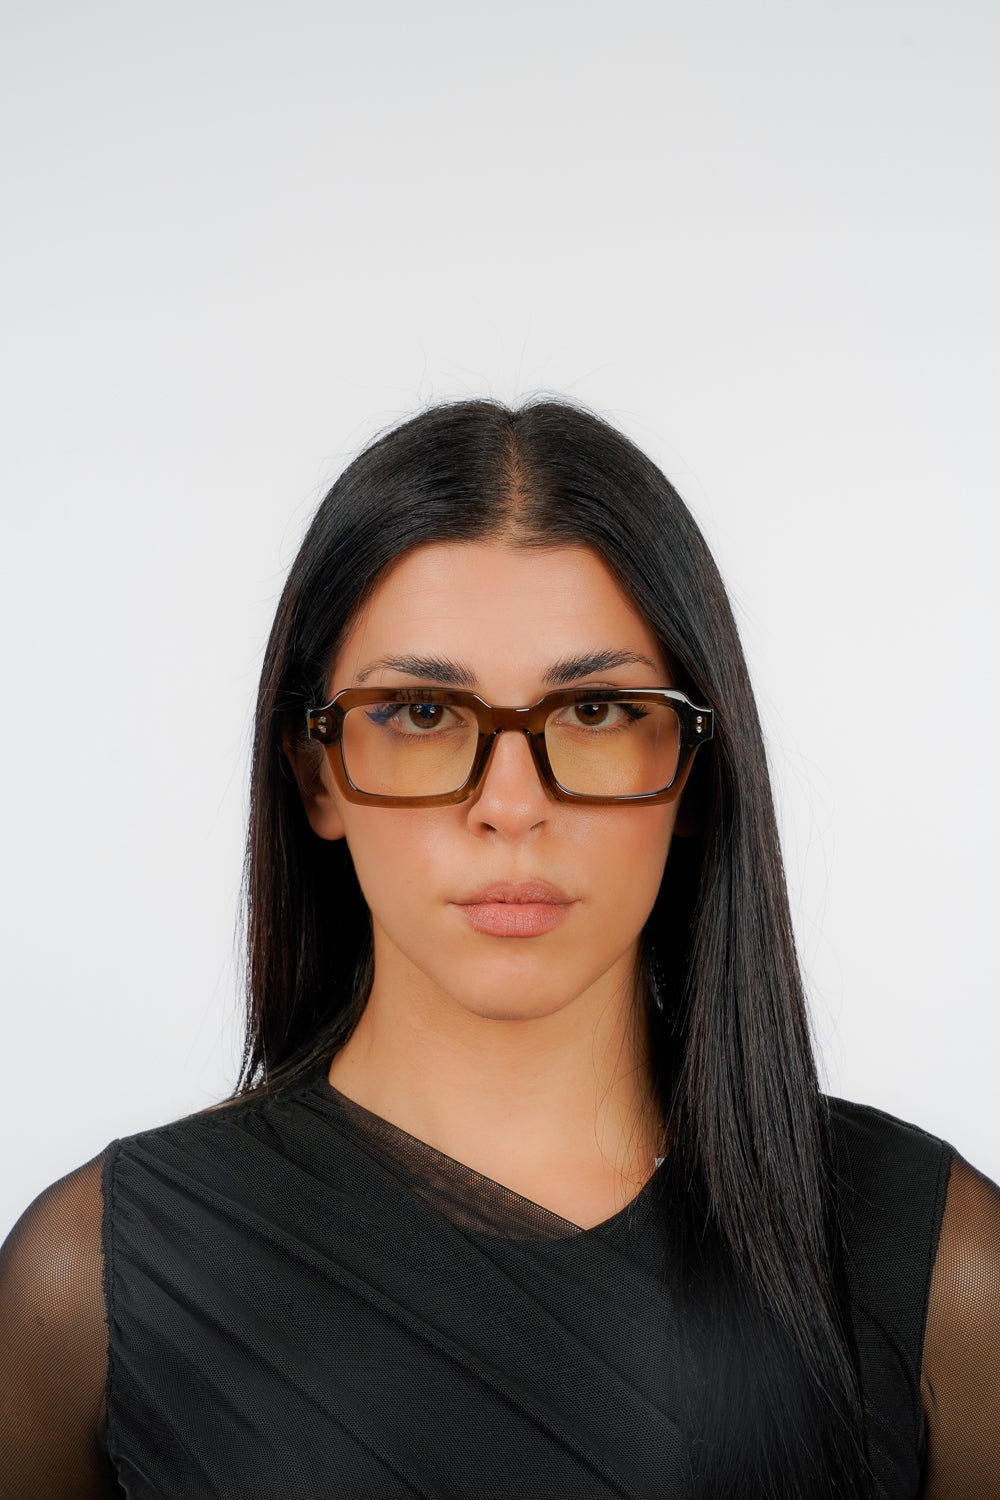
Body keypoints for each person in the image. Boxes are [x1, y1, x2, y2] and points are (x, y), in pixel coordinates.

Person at [1, 399, 997, 1500]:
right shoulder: (92, 1287)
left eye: (596, 712)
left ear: (694, 768)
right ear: (317, 774)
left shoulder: (937, 1268)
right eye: (423, 713)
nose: (512, 806)